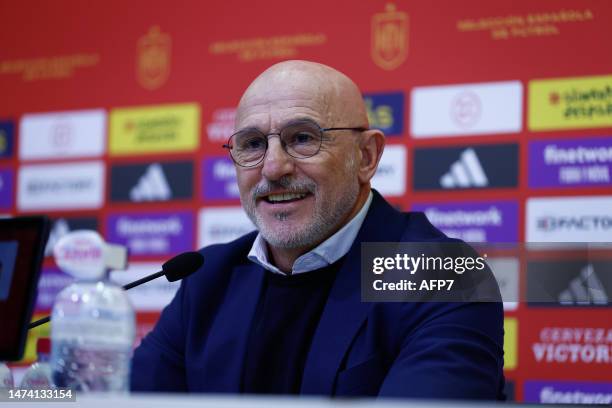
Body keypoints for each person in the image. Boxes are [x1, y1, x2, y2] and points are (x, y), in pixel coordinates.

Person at [130, 60, 505, 399]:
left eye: (303, 138)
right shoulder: (208, 278)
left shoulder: (445, 277)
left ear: (366, 157)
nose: (273, 168)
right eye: (252, 144)